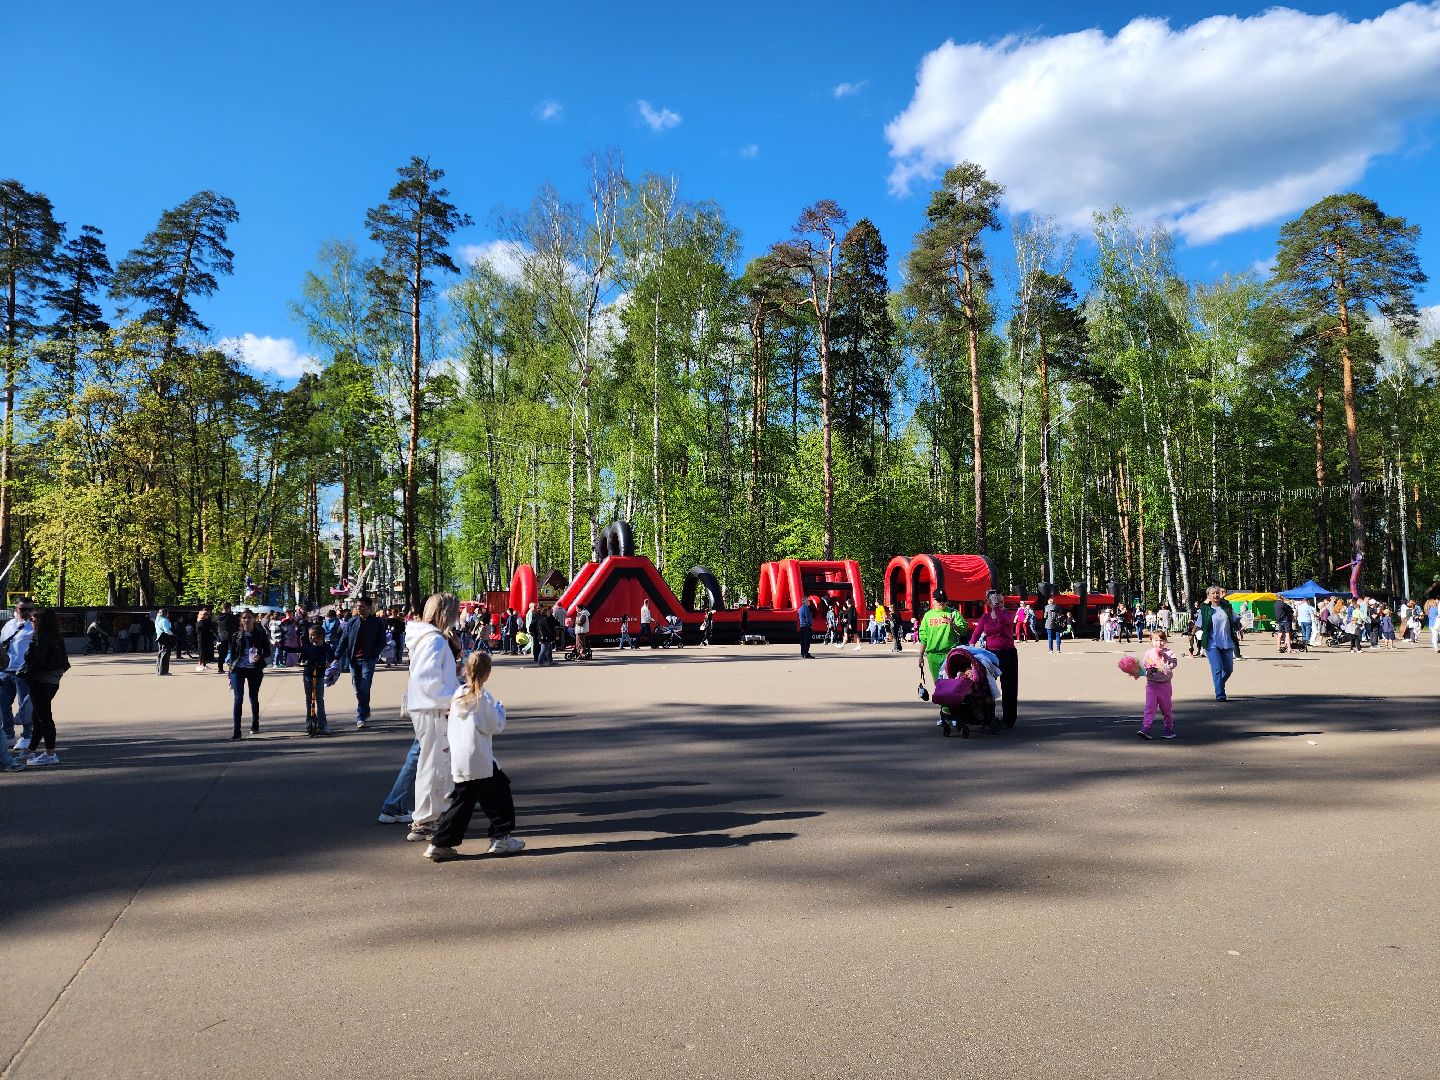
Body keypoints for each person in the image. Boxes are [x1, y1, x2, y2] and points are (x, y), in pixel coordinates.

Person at [424, 651, 526, 862]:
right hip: (479, 758)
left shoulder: (457, 695)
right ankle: (501, 836)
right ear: (487, 673)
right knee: (499, 795)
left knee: (463, 802)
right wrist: (501, 710)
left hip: (460, 757)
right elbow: (493, 726)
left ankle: (441, 843)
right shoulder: (483, 697)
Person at [402, 593, 463, 847]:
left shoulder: (427, 638)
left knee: (434, 762)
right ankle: (427, 818)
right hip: (434, 710)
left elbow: (428, 676)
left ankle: (430, 816)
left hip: (428, 708)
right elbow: (428, 680)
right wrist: (452, 700)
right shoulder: (434, 641)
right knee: (436, 764)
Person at [19, 608, 69, 766]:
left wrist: (25, 675)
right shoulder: (56, 637)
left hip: (41, 681)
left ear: (42, 621)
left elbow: (38, 662)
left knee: (44, 717)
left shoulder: (42, 637)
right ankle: (32, 749)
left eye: (34, 619)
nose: (31, 622)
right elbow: (64, 662)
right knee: (38, 716)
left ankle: (50, 753)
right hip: (51, 681)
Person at [970, 589, 1019, 729]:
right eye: (996, 601)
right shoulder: (985, 617)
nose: (1000, 604)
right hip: (991, 654)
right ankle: (988, 716)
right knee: (986, 686)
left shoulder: (1007, 614)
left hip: (1008, 653)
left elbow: (1003, 621)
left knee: (1009, 686)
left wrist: (997, 606)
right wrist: (969, 648)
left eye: (1002, 602)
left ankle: (1009, 719)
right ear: (989, 602)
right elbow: (976, 633)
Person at [340, 597, 385, 730]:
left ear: (369, 608)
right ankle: (365, 709)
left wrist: (374, 654)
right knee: (358, 690)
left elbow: (382, 641)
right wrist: (336, 657)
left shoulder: (376, 622)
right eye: (358, 606)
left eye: (362, 606)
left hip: (368, 660)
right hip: (353, 661)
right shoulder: (352, 622)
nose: (359, 608)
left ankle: (361, 716)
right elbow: (344, 640)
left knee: (365, 687)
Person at [226, 609, 272, 739]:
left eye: (249, 618)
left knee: (253, 697)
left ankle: (255, 722)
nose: (247, 620)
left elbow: (268, 652)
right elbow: (231, 654)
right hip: (238, 669)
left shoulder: (260, 634)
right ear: (241, 620)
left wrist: (260, 657)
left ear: (254, 619)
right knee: (238, 698)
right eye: (244, 618)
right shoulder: (236, 635)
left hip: (254, 669)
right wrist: (229, 670)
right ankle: (236, 730)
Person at [1, 600, 35, 756]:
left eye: (30, 609)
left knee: (24, 706)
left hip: (23, 671)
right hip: (5, 671)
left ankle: (27, 735)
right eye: (23, 609)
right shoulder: (8, 625)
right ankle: (8, 735)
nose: (26, 612)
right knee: (3, 705)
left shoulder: (34, 626)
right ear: (16, 609)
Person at [1135, 629, 1179, 740]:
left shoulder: (1169, 652)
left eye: (1161, 640)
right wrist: (1140, 670)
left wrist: (1165, 657)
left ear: (1165, 641)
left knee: (1166, 708)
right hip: (1151, 684)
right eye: (1156, 640)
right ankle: (1146, 728)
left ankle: (1168, 728)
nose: (1159, 643)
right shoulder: (1149, 653)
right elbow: (1144, 667)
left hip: (1164, 684)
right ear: (1151, 641)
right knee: (1150, 707)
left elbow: (1173, 664)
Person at [1198, 585, 1239, 702]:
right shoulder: (1205, 609)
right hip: (1212, 643)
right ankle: (1220, 694)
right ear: (1208, 596)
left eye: (1217, 593)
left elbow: (1235, 619)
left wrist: (1240, 622)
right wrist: (1192, 635)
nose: (1216, 595)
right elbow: (1198, 623)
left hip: (1227, 641)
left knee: (1228, 669)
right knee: (1217, 668)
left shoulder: (1227, 607)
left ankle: (1219, 684)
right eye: (1213, 593)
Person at [918, 590, 964, 684]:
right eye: (939, 600)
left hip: (950, 654)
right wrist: (921, 655)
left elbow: (963, 631)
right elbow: (924, 637)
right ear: (933, 601)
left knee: (951, 683)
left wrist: (952, 624)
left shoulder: (953, 613)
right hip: (933, 656)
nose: (942, 602)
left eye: (944, 599)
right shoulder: (928, 616)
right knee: (938, 684)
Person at [299, 625, 331, 736]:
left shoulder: (326, 646)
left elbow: (332, 656)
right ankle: (309, 723)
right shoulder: (308, 646)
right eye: (310, 635)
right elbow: (296, 651)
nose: (311, 638)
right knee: (309, 700)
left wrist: (328, 663)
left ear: (321, 636)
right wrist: (281, 646)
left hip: (320, 675)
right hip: (308, 674)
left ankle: (323, 724)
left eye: (313, 635)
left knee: (319, 700)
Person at [215, 602, 239, 674]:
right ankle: (232, 667)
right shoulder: (232, 617)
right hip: (232, 635)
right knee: (233, 652)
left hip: (222, 636)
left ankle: (220, 668)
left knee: (222, 652)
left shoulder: (218, 617)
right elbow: (237, 625)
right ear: (229, 608)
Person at [154, 607, 174, 675]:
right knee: (165, 654)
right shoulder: (165, 620)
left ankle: (159, 670)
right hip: (165, 638)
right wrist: (172, 634)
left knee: (160, 654)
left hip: (160, 638)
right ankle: (164, 671)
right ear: (166, 613)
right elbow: (167, 631)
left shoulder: (157, 620)